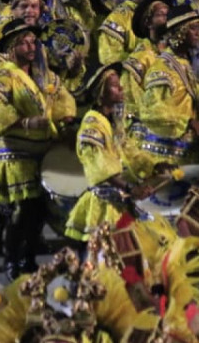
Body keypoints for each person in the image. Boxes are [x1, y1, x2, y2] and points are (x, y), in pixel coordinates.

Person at [0, 19, 76, 279]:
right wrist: (26, 121)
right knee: (19, 210)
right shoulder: (4, 75)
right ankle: (11, 259)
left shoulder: (44, 76)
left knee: (37, 210)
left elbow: (62, 99)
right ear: (12, 48)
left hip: (41, 151)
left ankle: (29, 257)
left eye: (33, 41)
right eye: (24, 42)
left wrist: (66, 120)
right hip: (15, 153)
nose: (30, 46)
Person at [63, 63, 150, 248]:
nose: (121, 88)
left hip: (120, 200)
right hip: (104, 206)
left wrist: (153, 166)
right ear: (101, 94)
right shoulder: (92, 124)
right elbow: (101, 168)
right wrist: (130, 187)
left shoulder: (114, 121)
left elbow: (129, 151)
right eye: (114, 85)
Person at [139, 5, 199, 166]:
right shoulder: (162, 69)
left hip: (191, 151)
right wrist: (189, 122)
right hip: (168, 158)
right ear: (180, 32)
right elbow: (153, 112)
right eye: (193, 29)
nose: (198, 33)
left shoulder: (192, 64)